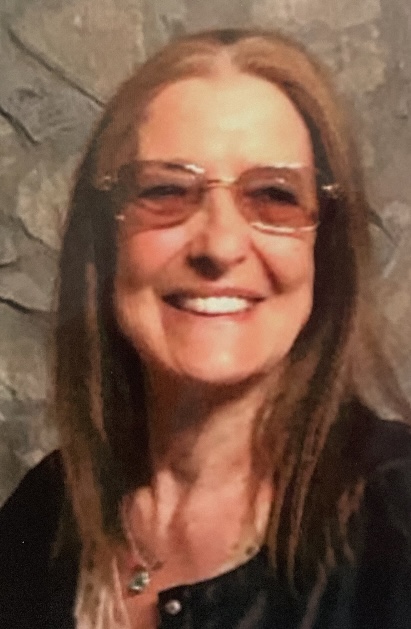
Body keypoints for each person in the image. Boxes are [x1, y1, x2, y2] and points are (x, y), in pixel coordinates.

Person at [1, 28, 411, 629]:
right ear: (105, 241)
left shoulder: (397, 524)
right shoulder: (43, 519)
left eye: (274, 196)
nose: (219, 245)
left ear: (325, 250)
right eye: (167, 191)